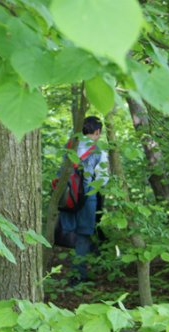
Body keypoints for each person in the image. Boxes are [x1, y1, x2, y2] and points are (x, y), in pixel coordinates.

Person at [59, 116, 108, 285]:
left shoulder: (70, 145)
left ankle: (68, 268)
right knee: (83, 235)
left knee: (69, 231)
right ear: (96, 132)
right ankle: (78, 274)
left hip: (67, 195)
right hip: (87, 197)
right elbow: (103, 180)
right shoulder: (99, 152)